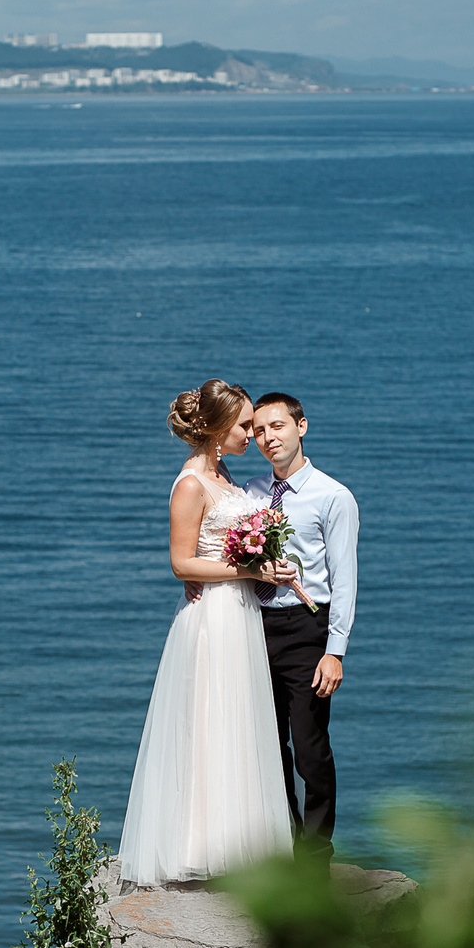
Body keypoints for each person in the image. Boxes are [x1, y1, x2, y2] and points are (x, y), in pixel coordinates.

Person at [117, 380, 300, 887]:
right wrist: (250, 572)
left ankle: (242, 847)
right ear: (218, 429)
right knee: (211, 721)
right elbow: (180, 563)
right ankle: (201, 845)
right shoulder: (191, 485)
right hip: (213, 617)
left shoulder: (223, 474)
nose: (254, 434)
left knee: (240, 720)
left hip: (239, 612)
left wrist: (264, 561)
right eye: (244, 425)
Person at [247, 392, 358, 857]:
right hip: (252, 626)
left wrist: (335, 651)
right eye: (258, 431)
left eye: (277, 426)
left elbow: (345, 579)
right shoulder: (249, 492)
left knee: (311, 748)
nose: (268, 438)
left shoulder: (333, 496)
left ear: (301, 427)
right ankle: (284, 845)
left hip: (306, 629)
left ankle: (315, 856)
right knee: (267, 747)